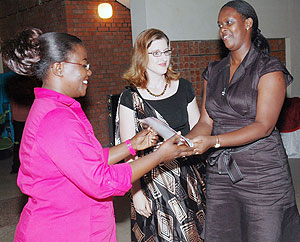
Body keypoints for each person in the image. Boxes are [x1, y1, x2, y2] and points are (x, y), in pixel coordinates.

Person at [1, 28, 195, 242]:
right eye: (84, 65)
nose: (89, 72)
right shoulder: (56, 119)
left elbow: (85, 161)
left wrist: (131, 145)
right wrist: (159, 155)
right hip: (64, 230)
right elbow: (102, 181)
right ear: (58, 68)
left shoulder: (55, 108)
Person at [186, 0, 300, 242]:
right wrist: (184, 142)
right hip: (221, 172)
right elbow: (206, 120)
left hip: (262, 171)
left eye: (229, 22)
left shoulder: (269, 69)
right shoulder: (214, 71)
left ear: (248, 24)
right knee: (223, 234)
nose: (223, 29)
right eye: (219, 25)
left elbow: (264, 126)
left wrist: (213, 141)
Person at [115, 28, 206, 241]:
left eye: (166, 51)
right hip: (150, 178)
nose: (163, 58)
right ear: (142, 56)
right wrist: (136, 193)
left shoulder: (184, 87)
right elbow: (129, 151)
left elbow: (198, 129)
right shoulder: (130, 97)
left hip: (187, 174)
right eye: (156, 53)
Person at [5, 73, 41, 173]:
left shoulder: (15, 90)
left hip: (19, 120)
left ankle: (16, 167)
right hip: (28, 119)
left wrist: (12, 117)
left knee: (18, 142)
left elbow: (12, 105)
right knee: (30, 144)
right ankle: (28, 167)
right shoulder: (30, 90)